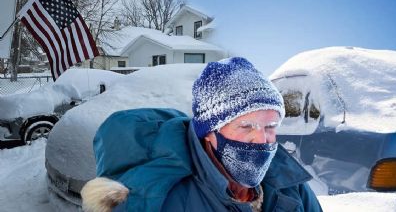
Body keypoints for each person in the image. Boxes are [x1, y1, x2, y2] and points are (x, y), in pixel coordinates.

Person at [81, 57, 322, 212]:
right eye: (247, 126)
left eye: (270, 127)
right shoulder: (161, 199)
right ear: (209, 132)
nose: (261, 140)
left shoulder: (290, 186)